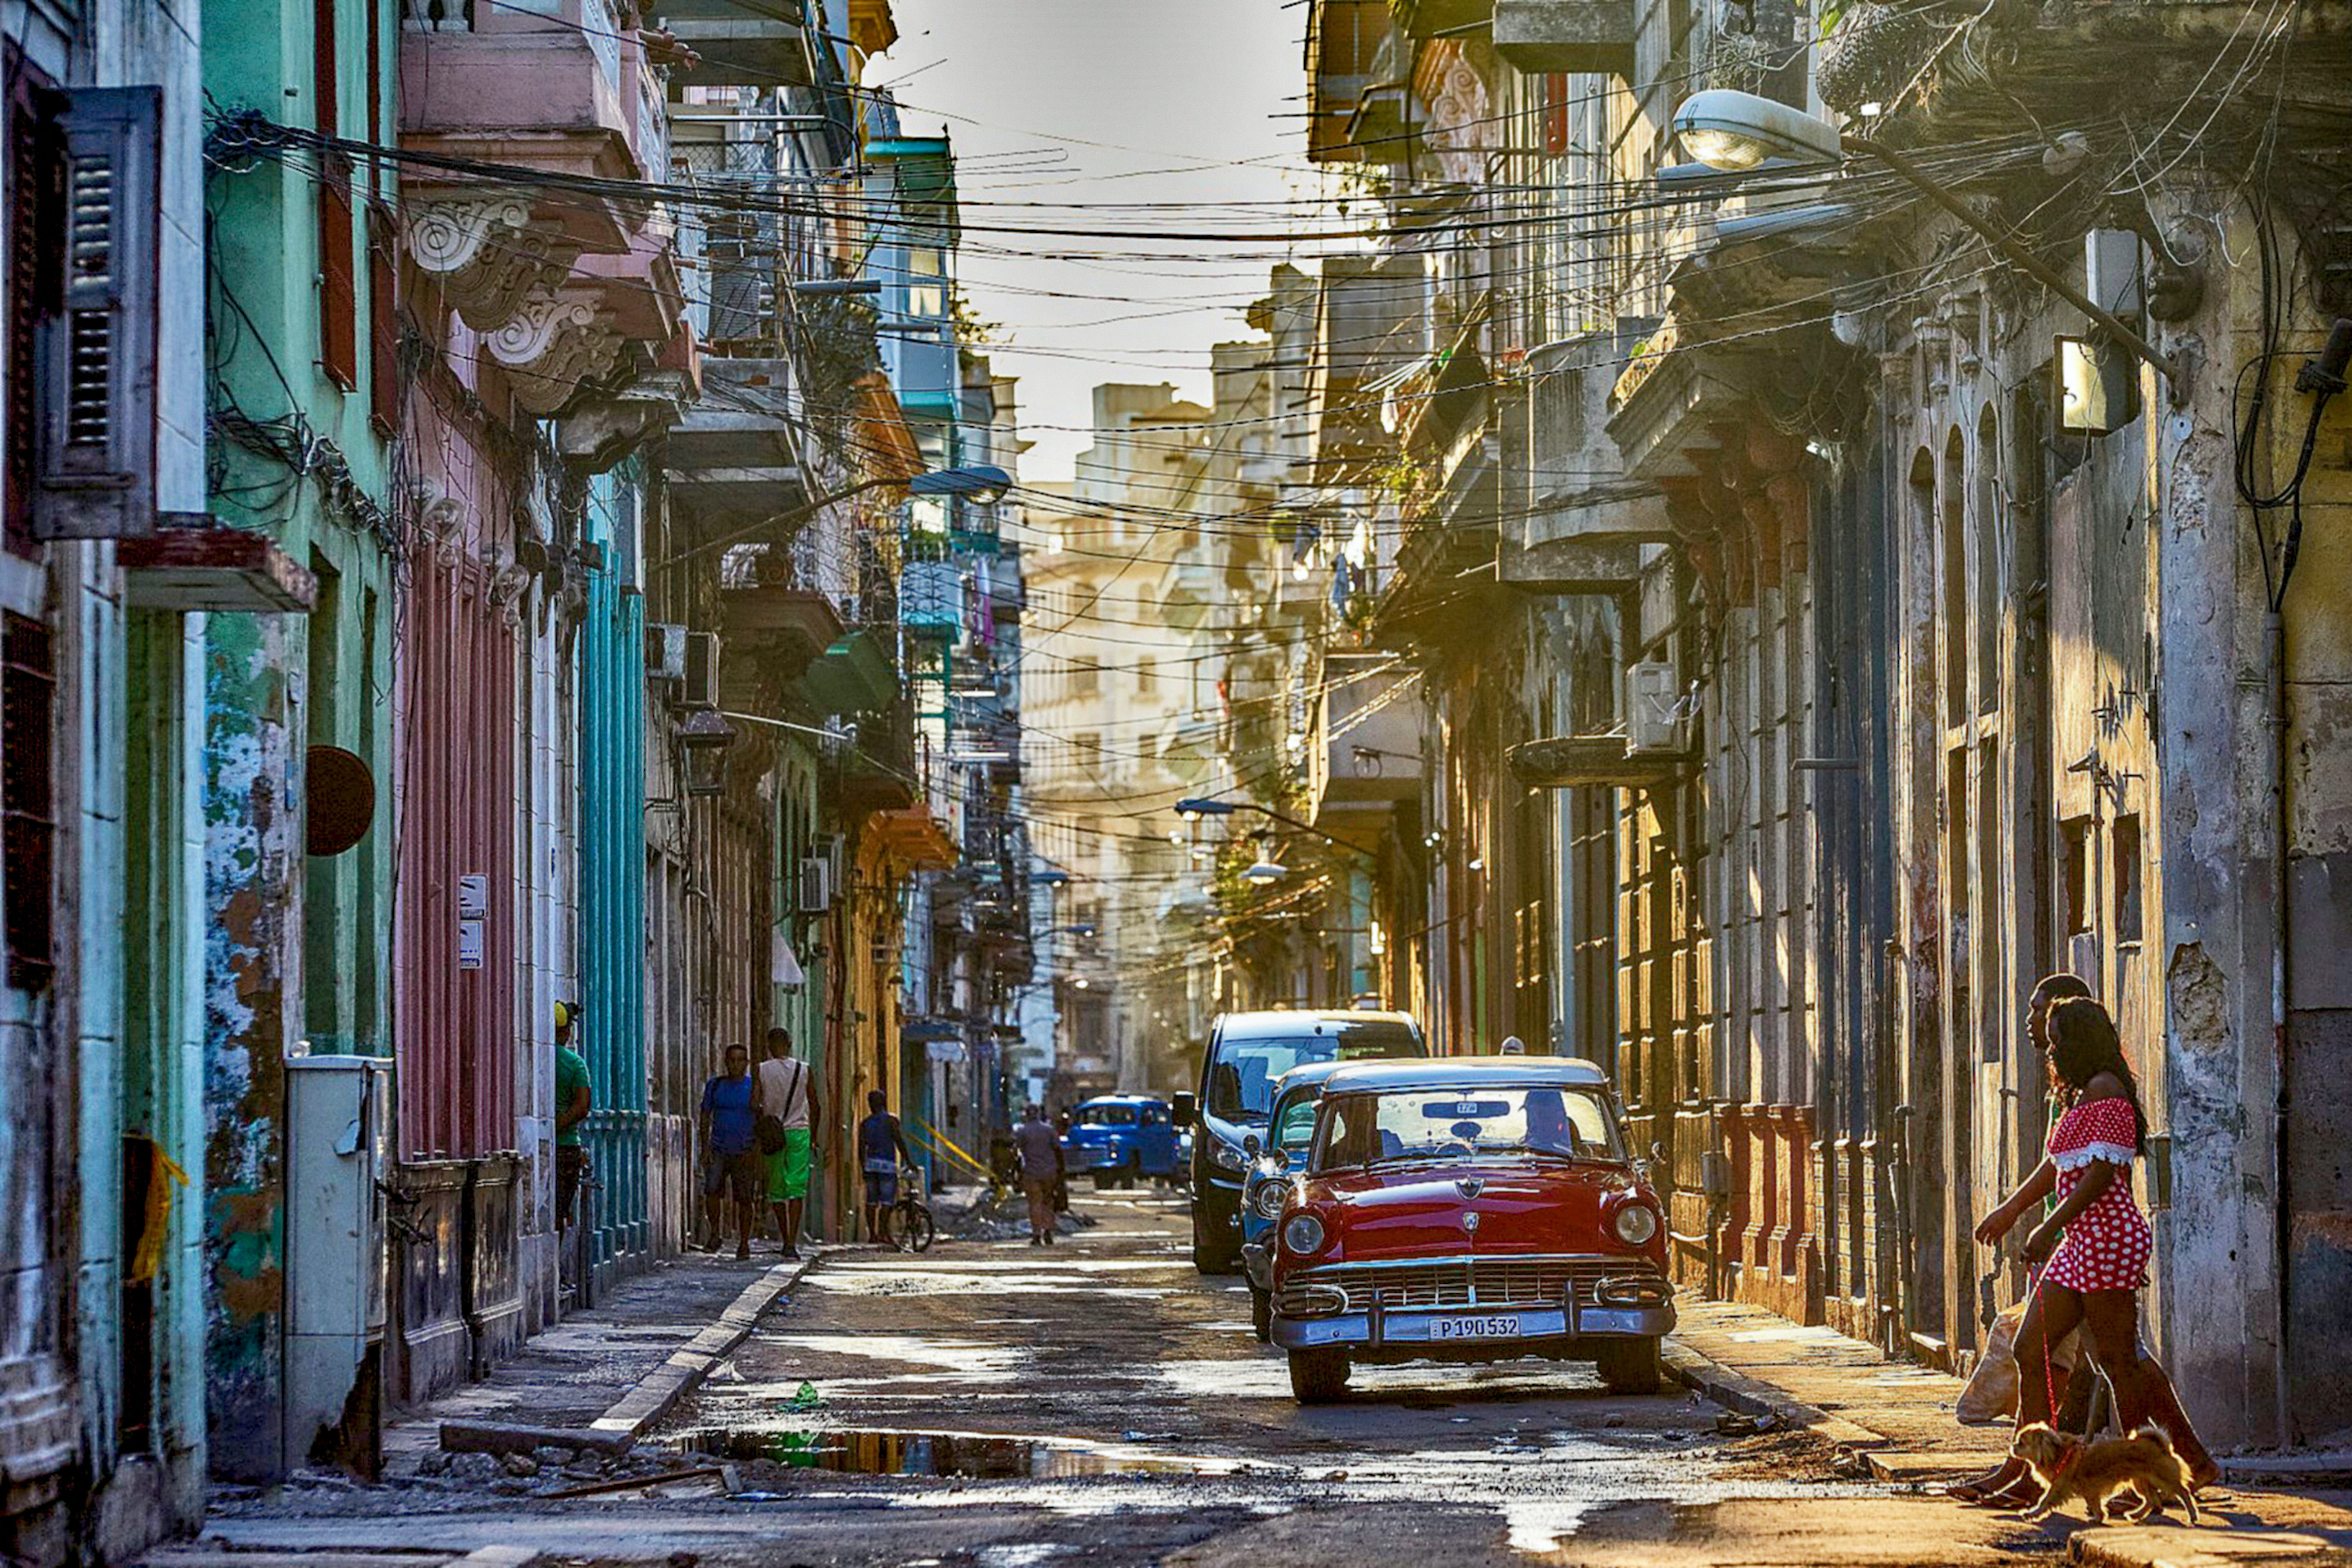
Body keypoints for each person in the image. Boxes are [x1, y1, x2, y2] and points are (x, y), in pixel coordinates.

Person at [1951, 990, 2218, 1505]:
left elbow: (2101, 1175)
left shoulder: (2108, 1091)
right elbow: (2060, 1165)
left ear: (2079, 1042)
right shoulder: (2078, 1096)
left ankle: (2146, 1474)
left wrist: (2047, 1226)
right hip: (2079, 1242)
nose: (2050, 1053)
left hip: (2109, 1238)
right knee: (2030, 1347)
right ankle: (2035, 1469)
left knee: (2119, 1363)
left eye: (2056, 1043)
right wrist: (2011, 1212)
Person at [755, 1027, 817, 1259]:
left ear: (770, 1047)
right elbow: (815, 1104)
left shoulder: (762, 1069)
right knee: (797, 1188)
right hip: (799, 1132)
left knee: (777, 1189)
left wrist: (762, 1122)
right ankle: (792, 1240)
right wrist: (815, 1137)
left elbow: (754, 1102)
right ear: (790, 1044)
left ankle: (785, 1239)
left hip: (774, 1134)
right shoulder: (805, 1070)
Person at [698, 1044, 760, 1260]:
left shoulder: (754, 1087)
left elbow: (762, 1118)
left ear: (746, 1063)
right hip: (718, 1149)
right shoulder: (715, 1086)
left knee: (745, 1198)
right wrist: (705, 1147)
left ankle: (744, 1242)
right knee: (712, 1192)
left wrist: (756, 1149)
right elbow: (706, 1116)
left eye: (740, 1060)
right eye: (732, 1060)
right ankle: (715, 1233)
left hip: (745, 1150)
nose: (735, 1065)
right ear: (726, 1062)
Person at [858, 1090, 916, 1242]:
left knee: (871, 1202)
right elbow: (899, 1142)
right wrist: (908, 1161)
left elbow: (861, 1147)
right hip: (887, 1165)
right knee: (887, 1202)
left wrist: (863, 1166)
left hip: (871, 1165)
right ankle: (883, 1233)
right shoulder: (891, 1120)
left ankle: (873, 1235)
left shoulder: (865, 1124)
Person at [554, 1002, 592, 1228]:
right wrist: (558, 1126)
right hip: (566, 1146)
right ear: (566, 1031)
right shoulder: (575, 1064)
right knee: (561, 1213)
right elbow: (582, 1106)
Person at [1013, 1102, 1065, 1246]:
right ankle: (1048, 1231)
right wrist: (1061, 1171)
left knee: (1034, 1203)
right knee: (1048, 1202)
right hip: (1050, 1172)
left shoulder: (1022, 1132)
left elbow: (1017, 1155)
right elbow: (1058, 1151)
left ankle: (1037, 1233)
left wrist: (1017, 1174)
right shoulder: (1049, 1130)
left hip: (1031, 1173)